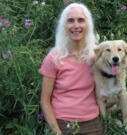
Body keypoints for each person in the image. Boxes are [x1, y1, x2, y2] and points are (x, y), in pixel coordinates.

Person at [39, 2, 104, 135]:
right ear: (64, 25)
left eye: (81, 20)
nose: (76, 25)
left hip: (92, 123)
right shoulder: (54, 58)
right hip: (62, 123)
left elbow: (104, 93)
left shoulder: (96, 55)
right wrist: (57, 133)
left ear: (88, 24)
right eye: (70, 21)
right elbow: (45, 101)